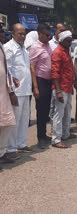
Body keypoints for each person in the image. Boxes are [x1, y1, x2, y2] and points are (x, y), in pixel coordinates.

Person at [5, 24, 33, 159]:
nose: (22, 36)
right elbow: (7, 71)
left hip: (26, 89)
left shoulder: (24, 48)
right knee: (14, 121)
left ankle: (21, 143)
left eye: (24, 34)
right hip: (16, 91)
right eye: (20, 34)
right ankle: (10, 148)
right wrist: (11, 91)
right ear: (13, 33)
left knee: (24, 119)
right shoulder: (9, 48)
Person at [28, 24, 53, 149]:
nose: (49, 37)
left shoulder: (48, 46)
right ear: (40, 34)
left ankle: (44, 134)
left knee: (46, 110)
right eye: (47, 35)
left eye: (50, 35)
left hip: (49, 81)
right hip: (40, 81)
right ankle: (40, 138)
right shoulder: (35, 47)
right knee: (41, 111)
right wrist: (36, 87)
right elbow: (32, 67)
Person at [51, 30, 75, 148]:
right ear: (62, 41)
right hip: (61, 88)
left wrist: (72, 86)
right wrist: (58, 91)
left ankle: (66, 134)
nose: (70, 43)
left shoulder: (66, 51)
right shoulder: (57, 52)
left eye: (71, 41)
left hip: (68, 87)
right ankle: (56, 139)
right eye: (68, 41)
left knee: (67, 112)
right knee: (59, 114)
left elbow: (69, 70)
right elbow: (55, 74)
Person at [0, 38, 18, 167]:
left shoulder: (1, 46)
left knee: (8, 122)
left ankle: (1, 153)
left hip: (4, 91)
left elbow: (6, 69)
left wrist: (11, 88)